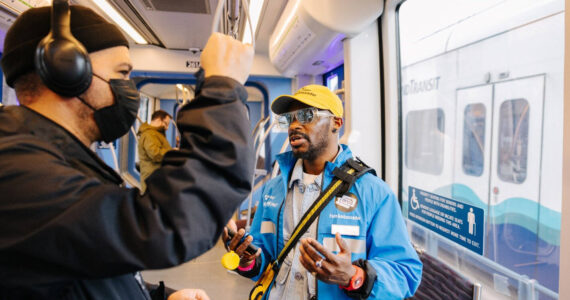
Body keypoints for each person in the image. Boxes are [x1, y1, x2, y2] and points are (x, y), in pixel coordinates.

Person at [0, 3, 254, 300]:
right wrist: (223, 88)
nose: (128, 88)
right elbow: (164, 227)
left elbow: (85, 272)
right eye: (121, 73)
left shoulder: (57, 158)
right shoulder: (16, 170)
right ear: (67, 70)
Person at [224, 85, 422, 299]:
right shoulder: (274, 189)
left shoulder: (374, 193)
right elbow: (264, 256)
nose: (294, 126)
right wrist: (248, 260)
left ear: (337, 123)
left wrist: (354, 276)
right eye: (289, 119)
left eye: (306, 115)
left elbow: (406, 273)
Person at [138, 109, 173, 192]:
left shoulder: (156, 134)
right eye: (166, 124)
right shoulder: (149, 135)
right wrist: (172, 152)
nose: (167, 128)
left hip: (157, 178)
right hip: (152, 180)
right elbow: (155, 155)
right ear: (158, 120)